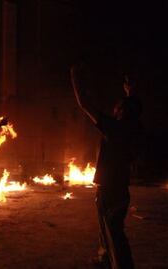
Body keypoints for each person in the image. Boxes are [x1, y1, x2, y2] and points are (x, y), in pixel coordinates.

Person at [71, 65, 142, 269]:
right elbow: (135, 109)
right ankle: (104, 259)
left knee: (114, 234)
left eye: (118, 106)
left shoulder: (116, 129)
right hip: (118, 187)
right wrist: (131, 92)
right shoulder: (134, 128)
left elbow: (84, 103)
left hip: (110, 190)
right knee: (108, 228)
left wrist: (74, 75)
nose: (114, 107)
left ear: (121, 112)